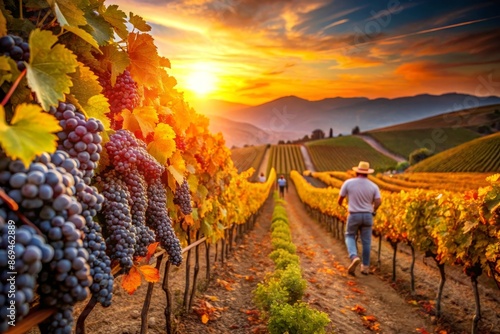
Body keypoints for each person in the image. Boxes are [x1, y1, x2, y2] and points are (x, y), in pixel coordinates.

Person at [337, 161, 381, 276]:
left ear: (356, 172)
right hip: (367, 215)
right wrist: (373, 209)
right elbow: (378, 201)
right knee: (366, 242)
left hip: (354, 214)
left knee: (349, 235)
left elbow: (340, 199)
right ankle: (365, 267)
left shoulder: (348, 183)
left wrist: (344, 206)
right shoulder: (373, 186)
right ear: (368, 173)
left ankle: (354, 257)